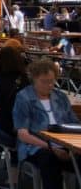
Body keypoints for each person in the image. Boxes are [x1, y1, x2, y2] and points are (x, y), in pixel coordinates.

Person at [14, 58, 79, 189]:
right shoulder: (24, 97)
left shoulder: (60, 97)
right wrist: (51, 147)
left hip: (64, 145)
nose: (49, 85)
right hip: (36, 147)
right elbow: (23, 134)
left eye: (52, 81)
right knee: (50, 160)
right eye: (44, 82)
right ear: (34, 79)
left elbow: (74, 124)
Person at [0, 46, 28, 189]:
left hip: (4, 127)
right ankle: (13, 179)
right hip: (25, 130)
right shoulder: (27, 79)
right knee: (16, 141)